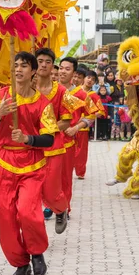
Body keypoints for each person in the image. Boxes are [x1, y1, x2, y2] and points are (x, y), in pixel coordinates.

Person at [0, 51, 58, 275]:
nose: (18, 69)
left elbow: (50, 138)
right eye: (15, 65)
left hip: (32, 166)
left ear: (33, 71)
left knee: (27, 211)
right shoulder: (0, 96)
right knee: (6, 217)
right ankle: (20, 262)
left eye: (24, 66)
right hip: (5, 164)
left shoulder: (42, 104)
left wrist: (27, 139)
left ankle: (36, 253)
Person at [35, 48, 77, 232]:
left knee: (52, 188)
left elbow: (66, 121)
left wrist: (47, 131)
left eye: (47, 61)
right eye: (40, 61)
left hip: (54, 146)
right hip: (30, 147)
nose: (43, 65)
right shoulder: (26, 88)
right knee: (32, 189)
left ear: (53, 66)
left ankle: (60, 210)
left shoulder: (61, 92)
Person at [57, 57, 93, 213]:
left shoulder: (80, 94)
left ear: (74, 73)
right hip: (47, 140)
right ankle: (51, 205)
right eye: (61, 68)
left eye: (67, 69)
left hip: (67, 142)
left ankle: (64, 208)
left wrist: (77, 127)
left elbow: (92, 114)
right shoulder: (50, 90)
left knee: (65, 178)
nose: (62, 71)